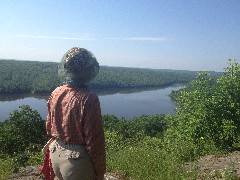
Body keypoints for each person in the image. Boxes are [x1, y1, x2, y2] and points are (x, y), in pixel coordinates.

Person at [41, 47, 106, 180]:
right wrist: (100, 171)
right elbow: (94, 141)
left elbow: (49, 127)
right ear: (86, 71)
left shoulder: (57, 92)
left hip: (55, 154)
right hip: (77, 162)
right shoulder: (89, 98)